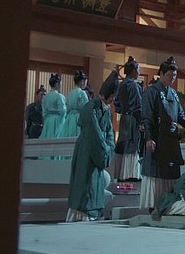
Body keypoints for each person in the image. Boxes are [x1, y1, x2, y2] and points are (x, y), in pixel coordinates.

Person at [140, 57, 185, 213]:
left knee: (170, 173)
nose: (173, 78)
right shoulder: (152, 92)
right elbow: (147, 118)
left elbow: (180, 116)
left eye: (175, 76)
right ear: (162, 74)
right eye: (170, 75)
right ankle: (154, 206)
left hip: (171, 138)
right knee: (156, 173)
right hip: (157, 137)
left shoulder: (173, 93)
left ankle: (168, 205)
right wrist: (149, 138)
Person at [66, 71, 118, 221]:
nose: (113, 100)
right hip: (87, 149)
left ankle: (92, 214)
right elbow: (94, 134)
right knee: (85, 183)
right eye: (112, 96)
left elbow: (109, 134)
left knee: (95, 184)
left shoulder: (106, 111)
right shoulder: (90, 108)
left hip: (98, 152)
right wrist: (104, 152)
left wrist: (108, 151)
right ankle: (81, 216)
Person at [113, 57, 143, 182]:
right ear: (133, 71)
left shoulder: (121, 85)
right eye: (138, 70)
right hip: (133, 119)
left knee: (123, 144)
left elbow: (116, 103)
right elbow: (138, 106)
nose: (139, 73)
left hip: (124, 118)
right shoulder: (134, 86)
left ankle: (120, 172)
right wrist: (141, 122)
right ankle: (131, 173)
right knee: (132, 144)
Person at [61, 69, 89, 138]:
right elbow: (85, 107)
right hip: (79, 118)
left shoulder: (70, 93)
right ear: (81, 82)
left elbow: (67, 107)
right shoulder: (82, 93)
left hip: (69, 119)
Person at [39, 73, 66, 139]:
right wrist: (63, 121)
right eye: (60, 84)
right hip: (57, 121)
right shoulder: (59, 96)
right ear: (57, 84)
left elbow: (44, 112)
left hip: (47, 121)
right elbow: (63, 111)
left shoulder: (45, 97)